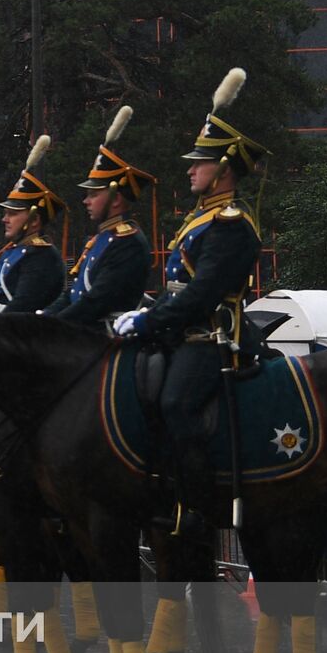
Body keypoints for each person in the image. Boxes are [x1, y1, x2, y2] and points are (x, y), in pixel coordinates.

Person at [114, 68, 266, 538]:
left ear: (223, 170)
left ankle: (196, 508)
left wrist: (149, 320)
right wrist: (146, 309)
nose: (190, 169)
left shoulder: (230, 223)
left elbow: (202, 295)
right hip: (180, 332)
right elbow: (177, 285)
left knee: (177, 403)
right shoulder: (201, 220)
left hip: (211, 338)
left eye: (200, 163)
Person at [45, 106, 154, 326]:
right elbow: (74, 294)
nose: (86, 201)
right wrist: (43, 318)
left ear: (115, 199)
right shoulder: (102, 239)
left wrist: (54, 327)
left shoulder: (127, 242)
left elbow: (98, 301)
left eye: (93, 194)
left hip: (104, 336)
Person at [0, 135, 67, 314]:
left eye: (12, 214)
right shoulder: (13, 250)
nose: (5, 219)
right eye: (5, 213)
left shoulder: (42, 255)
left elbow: (24, 305)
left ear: (34, 220)